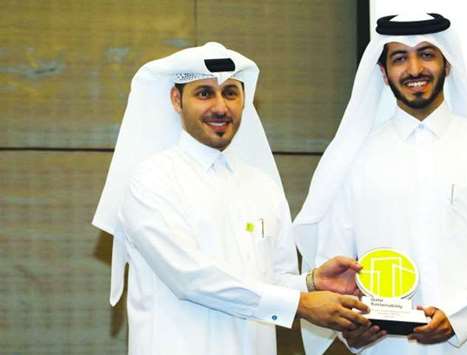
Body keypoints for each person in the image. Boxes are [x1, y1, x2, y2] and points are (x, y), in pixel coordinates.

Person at [92, 42, 369, 355]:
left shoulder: (262, 186)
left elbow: (270, 279)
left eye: (231, 93)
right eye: (204, 93)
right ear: (176, 100)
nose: (221, 107)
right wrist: (301, 304)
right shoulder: (151, 180)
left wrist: (313, 282)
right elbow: (191, 278)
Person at [294, 13, 467, 355]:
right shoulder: (353, 158)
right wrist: (351, 331)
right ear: (383, 73)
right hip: (388, 345)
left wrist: (458, 316)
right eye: (399, 58)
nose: (414, 69)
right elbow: (336, 264)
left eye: (426, 54)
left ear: (446, 64)